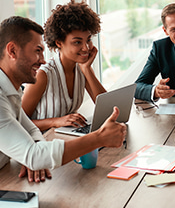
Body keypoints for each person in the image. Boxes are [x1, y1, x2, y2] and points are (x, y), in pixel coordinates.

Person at [0, 16, 126, 183]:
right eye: (37, 51)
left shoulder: (11, 90)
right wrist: (99, 138)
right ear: (12, 51)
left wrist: (37, 155)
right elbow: (33, 155)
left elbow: (29, 130)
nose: (43, 59)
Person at [21, 0, 106, 132]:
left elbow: (107, 109)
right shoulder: (43, 75)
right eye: (77, 42)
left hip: (65, 139)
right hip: (41, 144)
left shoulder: (82, 68)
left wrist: (87, 69)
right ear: (59, 42)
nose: (86, 48)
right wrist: (56, 122)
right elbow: (19, 124)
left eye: (88, 40)